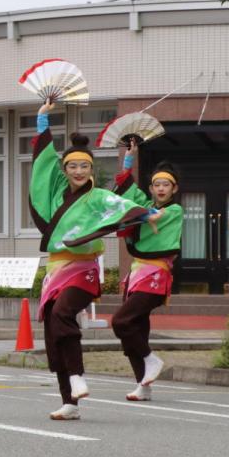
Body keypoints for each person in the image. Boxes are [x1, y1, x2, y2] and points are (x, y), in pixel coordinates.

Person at [28, 100, 150, 421]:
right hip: (56, 269)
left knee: (65, 313)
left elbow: (119, 204)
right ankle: (69, 401)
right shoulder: (56, 191)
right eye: (72, 166)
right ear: (64, 170)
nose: (78, 171)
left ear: (91, 170)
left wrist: (145, 212)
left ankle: (79, 375)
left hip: (83, 269)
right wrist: (43, 119)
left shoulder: (97, 197)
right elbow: (43, 161)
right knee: (53, 333)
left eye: (84, 166)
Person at [110, 143, 183, 401]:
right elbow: (127, 193)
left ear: (174, 189)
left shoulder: (174, 211)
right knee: (136, 330)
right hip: (137, 275)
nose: (161, 188)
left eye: (166, 184)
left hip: (155, 275)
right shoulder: (146, 204)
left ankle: (150, 360)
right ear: (151, 188)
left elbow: (146, 214)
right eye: (156, 184)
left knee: (121, 321)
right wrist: (129, 158)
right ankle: (143, 385)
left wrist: (135, 213)